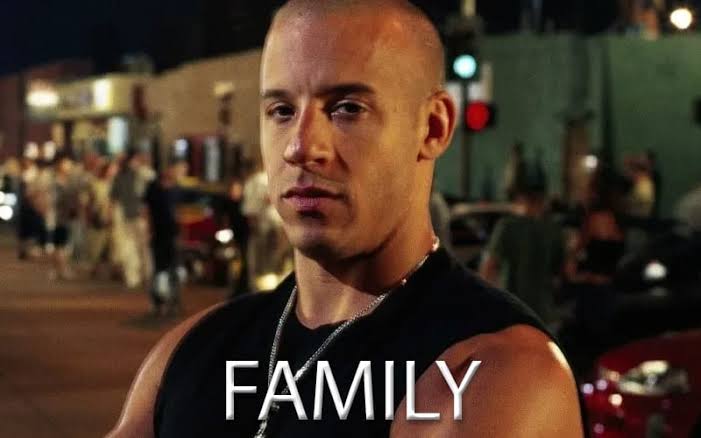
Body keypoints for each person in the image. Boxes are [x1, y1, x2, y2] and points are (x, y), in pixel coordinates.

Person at [109, 2, 583, 437]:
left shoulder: (492, 374)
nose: (301, 147)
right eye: (281, 110)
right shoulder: (188, 353)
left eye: (347, 109)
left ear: (433, 127)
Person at [479, 182, 565, 328]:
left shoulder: (507, 226)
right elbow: (562, 272)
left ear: (520, 199)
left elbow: (489, 267)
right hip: (543, 313)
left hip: (511, 310)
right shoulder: (554, 230)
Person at [143, 162, 182, 318]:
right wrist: (149, 230)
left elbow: (179, 212)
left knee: (173, 269)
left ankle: (173, 301)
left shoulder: (176, 189)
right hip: (158, 234)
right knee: (159, 269)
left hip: (172, 234)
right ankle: (158, 302)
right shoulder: (153, 189)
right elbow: (146, 211)